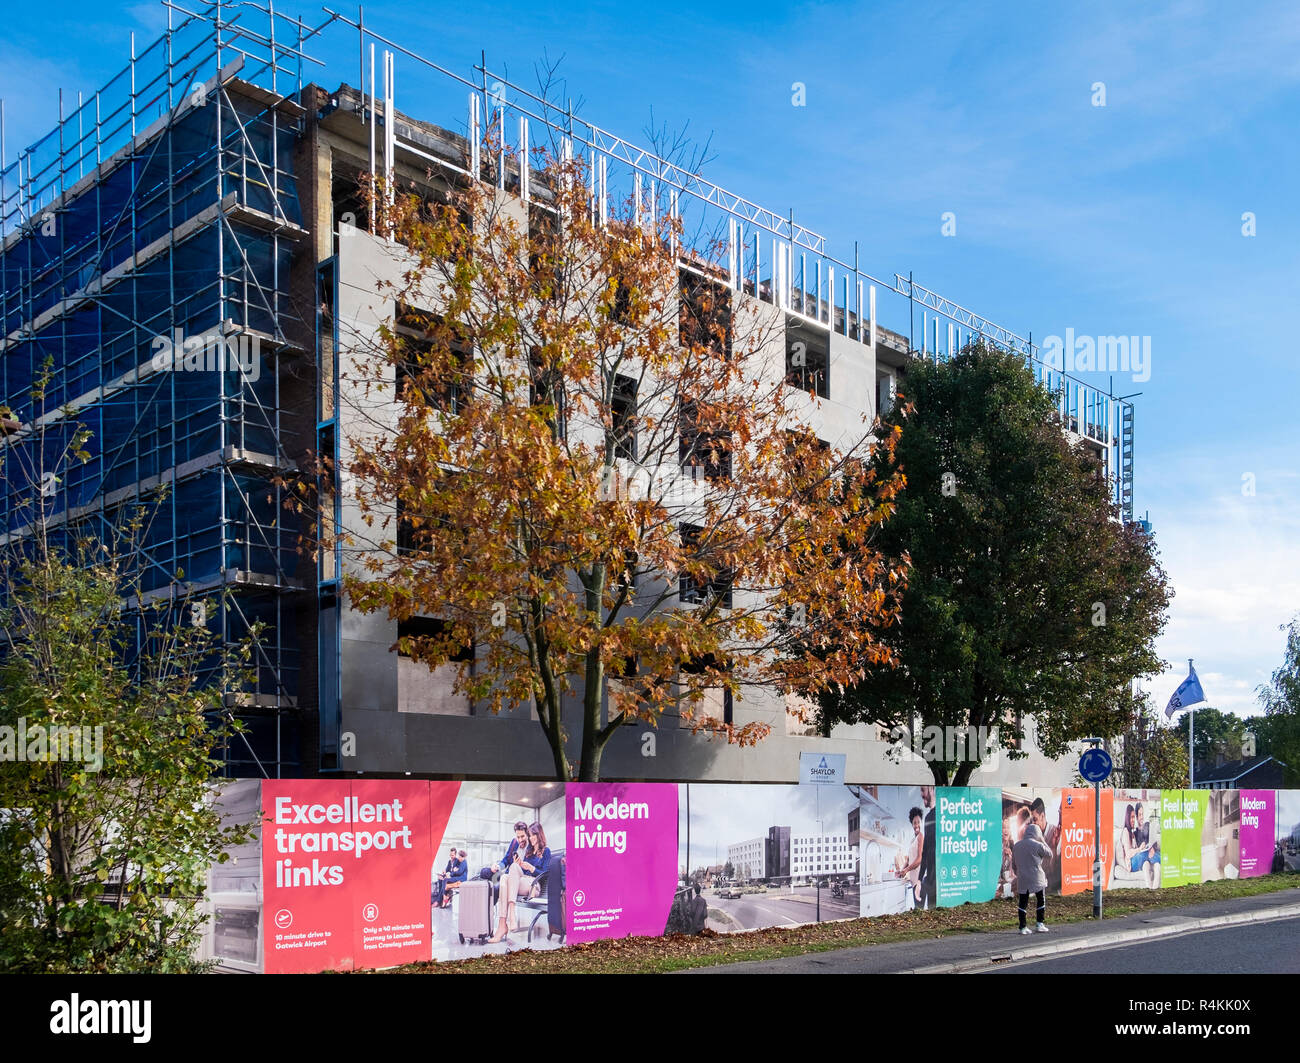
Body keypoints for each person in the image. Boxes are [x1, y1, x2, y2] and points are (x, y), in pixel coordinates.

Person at [488, 821, 551, 944]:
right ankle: (504, 923)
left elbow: (545, 874)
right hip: (523, 882)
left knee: (509, 874)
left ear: (539, 835)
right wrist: (521, 866)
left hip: (534, 885)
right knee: (506, 876)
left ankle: (506, 921)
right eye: (530, 835)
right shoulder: (529, 851)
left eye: (533, 835)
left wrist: (530, 868)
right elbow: (518, 870)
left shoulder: (546, 851)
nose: (531, 838)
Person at [1012, 809, 1052, 935]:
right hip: (1037, 877)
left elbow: (1014, 864)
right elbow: (1050, 854)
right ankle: (1040, 923)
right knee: (1040, 900)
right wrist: (1042, 839)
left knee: (1023, 902)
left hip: (1023, 877)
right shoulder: (1038, 845)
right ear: (1037, 833)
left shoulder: (1017, 845)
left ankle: (1022, 926)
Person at [893, 806, 926, 909]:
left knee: (919, 910)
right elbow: (908, 860)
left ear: (921, 822)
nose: (916, 825)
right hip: (913, 881)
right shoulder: (913, 840)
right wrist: (901, 870)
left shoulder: (921, 836)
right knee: (917, 909)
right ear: (911, 824)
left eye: (918, 822)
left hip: (919, 881)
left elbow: (919, 859)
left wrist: (906, 870)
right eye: (914, 823)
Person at [917, 785, 937, 910]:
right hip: (930, 881)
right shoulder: (928, 817)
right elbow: (925, 852)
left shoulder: (943, 812)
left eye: (922, 789)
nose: (921, 794)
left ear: (930, 788)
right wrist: (919, 880)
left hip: (942, 881)